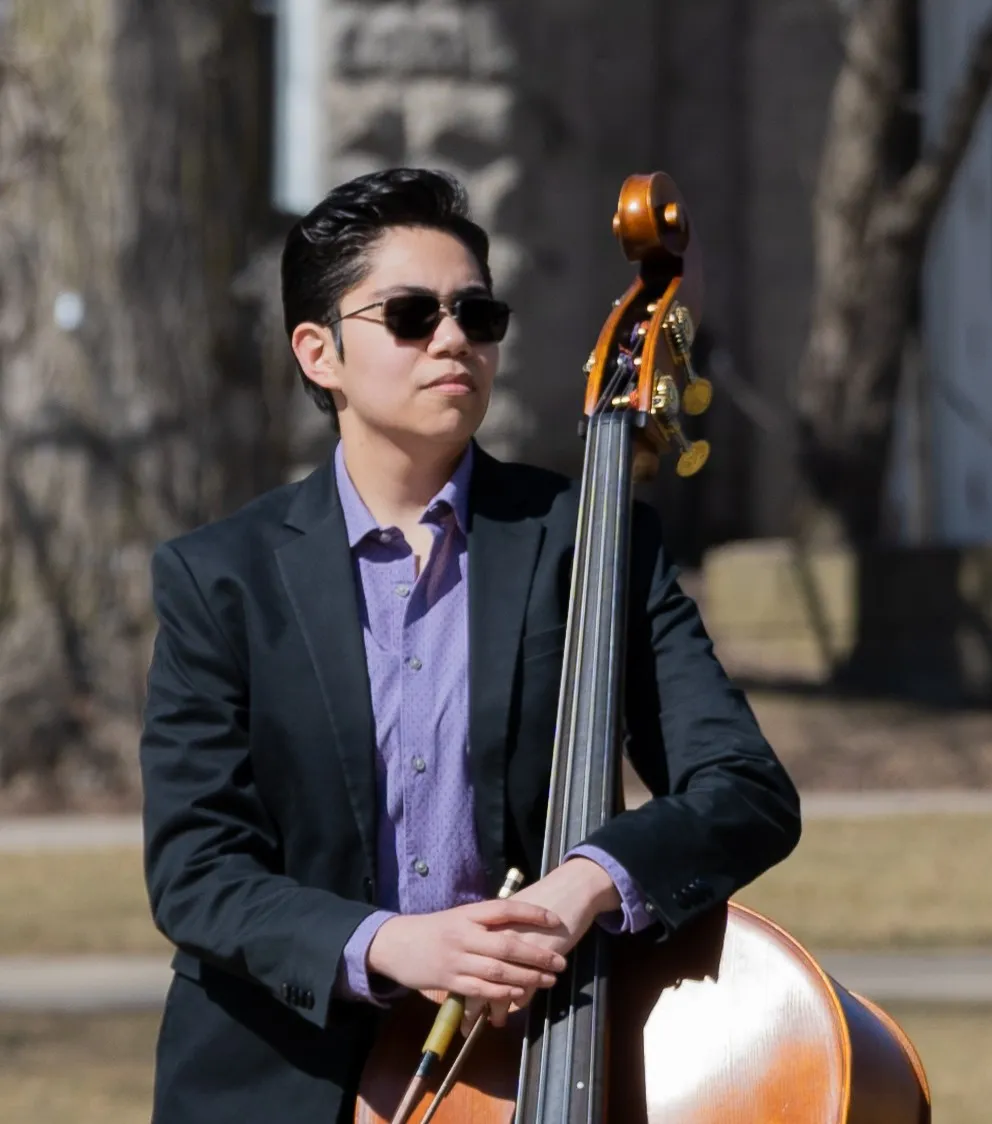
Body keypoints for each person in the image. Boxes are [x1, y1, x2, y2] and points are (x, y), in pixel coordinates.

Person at [140, 167, 801, 1124]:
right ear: (319, 353)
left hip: (527, 1062)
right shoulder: (218, 578)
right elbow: (197, 870)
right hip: (276, 1081)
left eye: (476, 315)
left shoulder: (592, 542)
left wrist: (589, 882)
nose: (453, 339)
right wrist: (390, 944)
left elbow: (743, 787)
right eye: (411, 315)